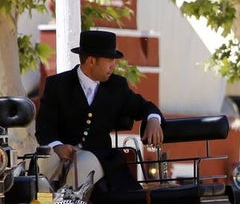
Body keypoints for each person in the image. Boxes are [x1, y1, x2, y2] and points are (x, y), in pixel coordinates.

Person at [35, 29, 165, 189]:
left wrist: (153, 119)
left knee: (80, 167)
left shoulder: (117, 86)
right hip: (60, 150)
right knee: (43, 163)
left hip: (99, 155)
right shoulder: (57, 85)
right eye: (109, 59)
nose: (113, 65)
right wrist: (57, 146)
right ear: (91, 61)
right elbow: (44, 127)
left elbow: (145, 106)